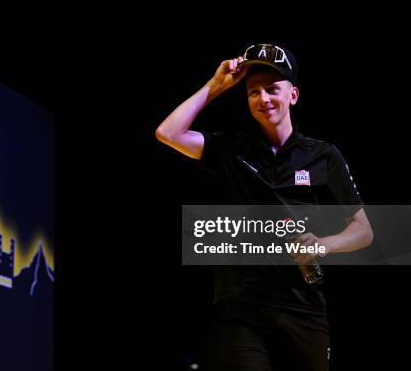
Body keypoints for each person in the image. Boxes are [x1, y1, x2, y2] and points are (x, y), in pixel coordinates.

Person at [156, 43, 374, 371]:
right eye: (253, 92)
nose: (263, 99)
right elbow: (168, 132)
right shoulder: (231, 149)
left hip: (303, 307)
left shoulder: (323, 156)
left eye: (272, 89)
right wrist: (216, 86)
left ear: (293, 95)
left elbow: (363, 230)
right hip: (241, 308)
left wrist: (323, 245)